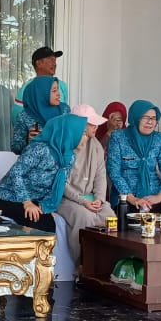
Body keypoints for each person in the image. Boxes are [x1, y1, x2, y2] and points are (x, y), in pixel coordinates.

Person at [0, 114, 88, 232]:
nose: (86, 138)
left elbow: (57, 184)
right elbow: (15, 173)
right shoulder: (40, 149)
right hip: (9, 195)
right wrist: (27, 202)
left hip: (36, 198)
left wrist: (46, 206)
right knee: (39, 222)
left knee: (47, 222)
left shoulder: (69, 157)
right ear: (69, 133)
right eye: (83, 133)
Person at [55, 105, 115, 259]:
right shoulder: (63, 145)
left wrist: (99, 199)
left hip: (90, 198)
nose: (96, 127)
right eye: (91, 123)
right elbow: (61, 183)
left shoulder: (96, 145)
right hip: (65, 199)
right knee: (84, 217)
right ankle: (83, 264)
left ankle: (108, 263)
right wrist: (82, 201)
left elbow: (101, 175)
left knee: (109, 215)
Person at [106, 100, 161, 211]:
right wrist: (132, 199)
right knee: (134, 216)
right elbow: (114, 172)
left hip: (154, 197)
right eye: (145, 117)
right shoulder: (119, 137)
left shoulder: (158, 139)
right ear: (136, 118)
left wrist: (160, 195)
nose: (150, 122)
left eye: (153, 118)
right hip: (127, 199)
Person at [11, 76, 67, 154]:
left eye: (58, 89)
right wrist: (28, 141)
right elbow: (15, 148)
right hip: (35, 159)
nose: (58, 94)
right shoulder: (24, 116)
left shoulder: (65, 111)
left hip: (60, 159)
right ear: (42, 93)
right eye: (54, 91)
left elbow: (73, 140)